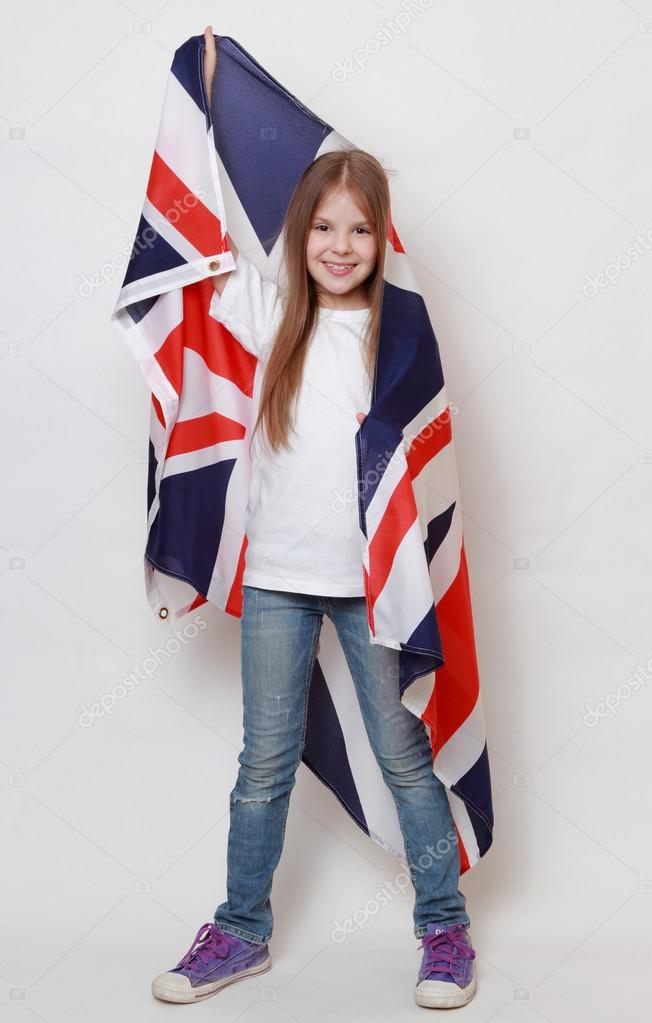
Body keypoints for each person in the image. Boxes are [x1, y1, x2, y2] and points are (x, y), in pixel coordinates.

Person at [150, 25, 477, 1011]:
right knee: (262, 764)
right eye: (322, 227)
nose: (339, 247)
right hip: (277, 577)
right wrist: (209, 94)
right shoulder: (268, 316)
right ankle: (239, 929)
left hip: (371, 583)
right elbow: (205, 252)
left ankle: (444, 928)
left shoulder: (398, 331)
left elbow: (415, 454)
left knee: (399, 753)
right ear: (300, 234)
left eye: (359, 230)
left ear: (385, 239)